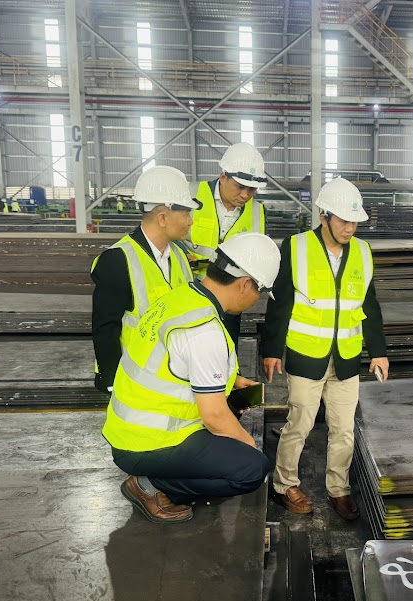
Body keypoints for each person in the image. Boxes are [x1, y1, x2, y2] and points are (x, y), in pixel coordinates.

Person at [102, 232, 281, 523]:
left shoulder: (182, 298)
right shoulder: (204, 330)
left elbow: (177, 363)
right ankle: (150, 485)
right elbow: (213, 416)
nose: (256, 300)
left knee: (231, 423)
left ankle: (158, 476)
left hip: (127, 431)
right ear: (245, 283)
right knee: (252, 468)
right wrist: (247, 444)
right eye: (259, 292)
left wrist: (232, 382)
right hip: (146, 443)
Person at [261, 177, 389, 521]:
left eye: (355, 222)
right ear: (324, 216)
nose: (350, 228)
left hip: (346, 357)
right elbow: (280, 303)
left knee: (344, 428)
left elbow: (369, 304)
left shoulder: (362, 252)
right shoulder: (296, 246)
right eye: (344, 221)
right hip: (306, 355)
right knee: (299, 424)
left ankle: (339, 489)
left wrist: (378, 351)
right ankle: (284, 485)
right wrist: (271, 350)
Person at [91, 165, 196, 394]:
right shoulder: (118, 260)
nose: (190, 221)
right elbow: (105, 327)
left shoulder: (179, 256)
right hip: (132, 378)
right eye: (186, 213)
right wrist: (113, 382)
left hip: (169, 377)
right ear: (162, 218)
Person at [182, 141, 268, 344]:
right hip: (187, 292)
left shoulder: (257, 212)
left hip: (228, 302)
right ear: (223, 176)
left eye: (252, 189)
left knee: (224, 351)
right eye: (240, 186)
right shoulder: (190, 195)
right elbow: (167, 236)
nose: (245, 195)